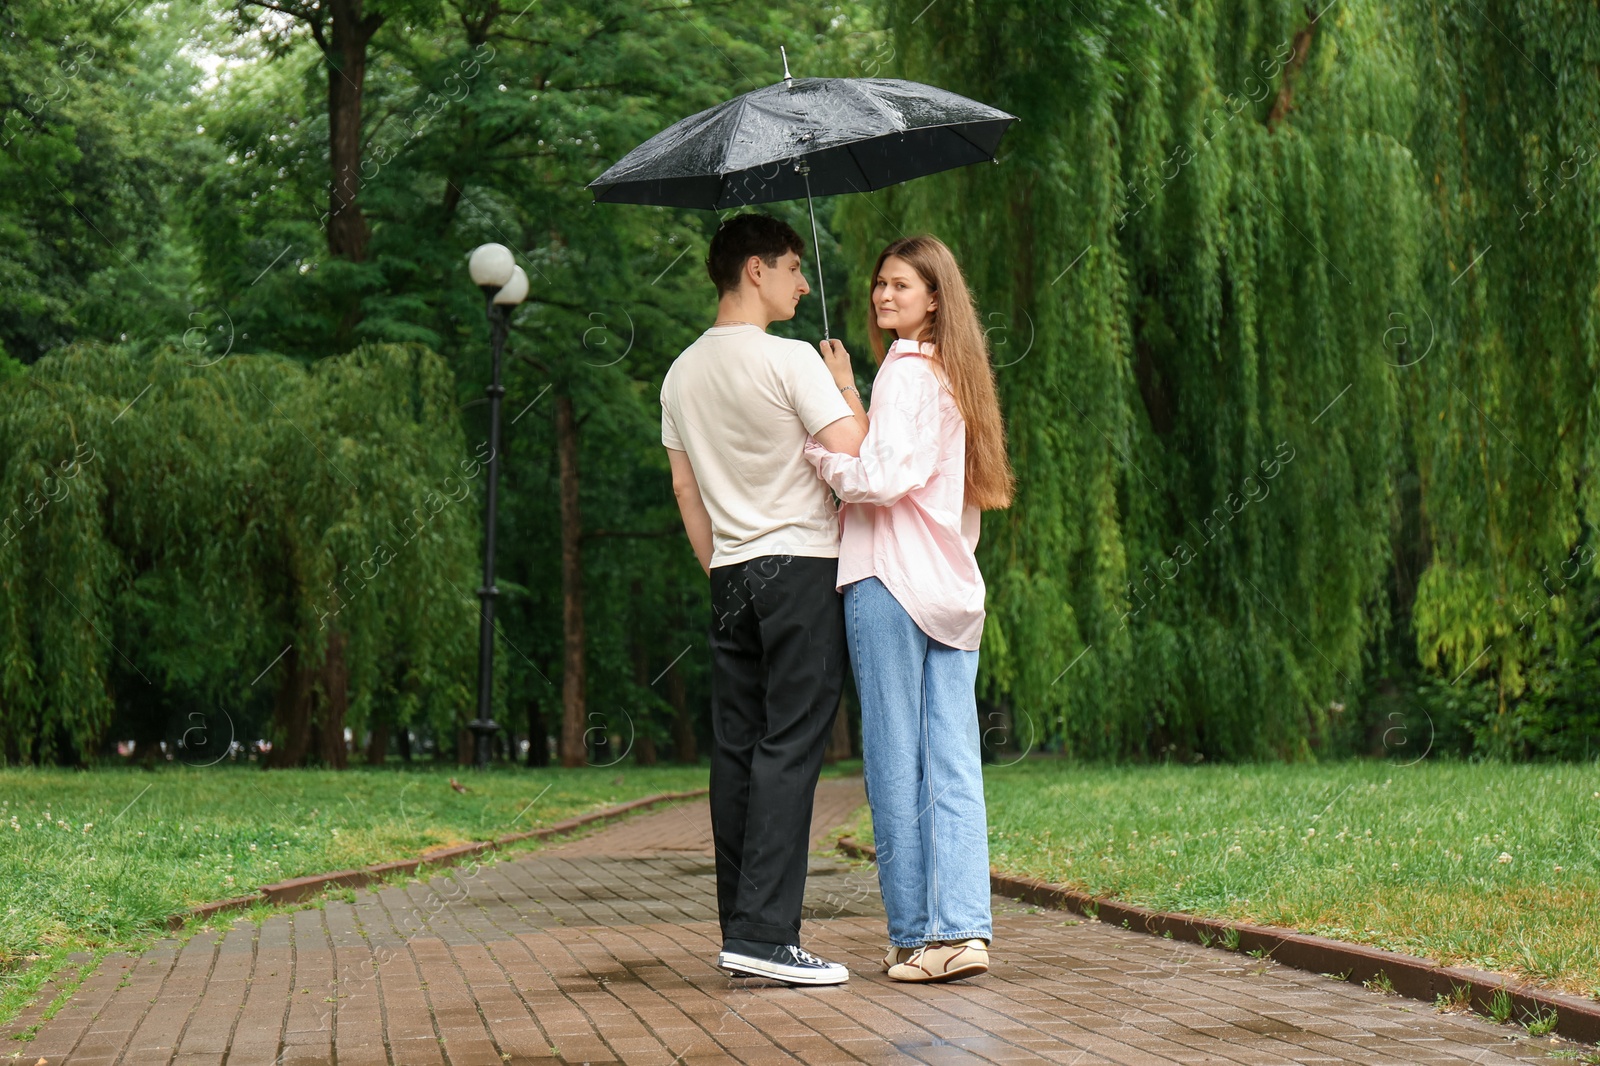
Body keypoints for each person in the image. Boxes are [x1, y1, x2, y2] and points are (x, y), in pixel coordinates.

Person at [660, 212, 869, 986]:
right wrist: (844, 383)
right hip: (803, 565)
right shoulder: (790, 361)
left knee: (739, 751)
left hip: (731, 574)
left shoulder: (679, 373)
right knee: (792, 747)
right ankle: (767, 936)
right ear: (755, 269)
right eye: (792, 267)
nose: (803, 281)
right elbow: (851, 452)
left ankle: (740, 931)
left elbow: (685, 488)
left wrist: (721, 565)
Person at [803, 234, 1015, 983]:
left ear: (933, 297)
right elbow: (949, 501)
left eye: (899, 285)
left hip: (888, 582)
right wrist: (850, 395)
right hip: (951, 591)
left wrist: (820, 454)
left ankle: (917, 935)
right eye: (878, 285)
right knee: (952, 762)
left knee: (895, 760)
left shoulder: (903, 369)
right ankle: (962, 931)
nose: (881, 296)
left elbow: (884, 475)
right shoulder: (954, 374)